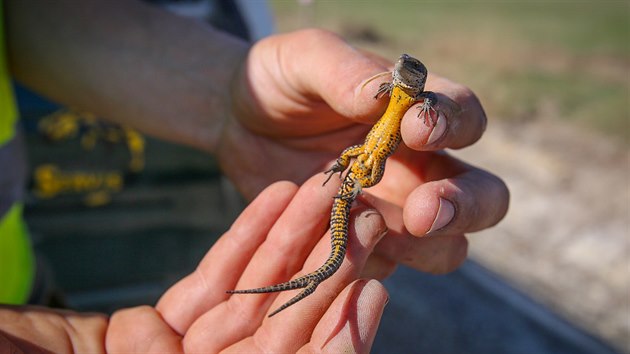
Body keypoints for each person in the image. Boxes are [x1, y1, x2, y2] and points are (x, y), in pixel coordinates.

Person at [0, 0, 509, 352]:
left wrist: (230, 93)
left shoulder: (404, 101)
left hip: (31, 295)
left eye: (406, 77)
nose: (402, 77)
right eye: (402, 74)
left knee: (346, 233)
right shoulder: (397, 96)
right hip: (32, 321)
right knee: (334, 246)